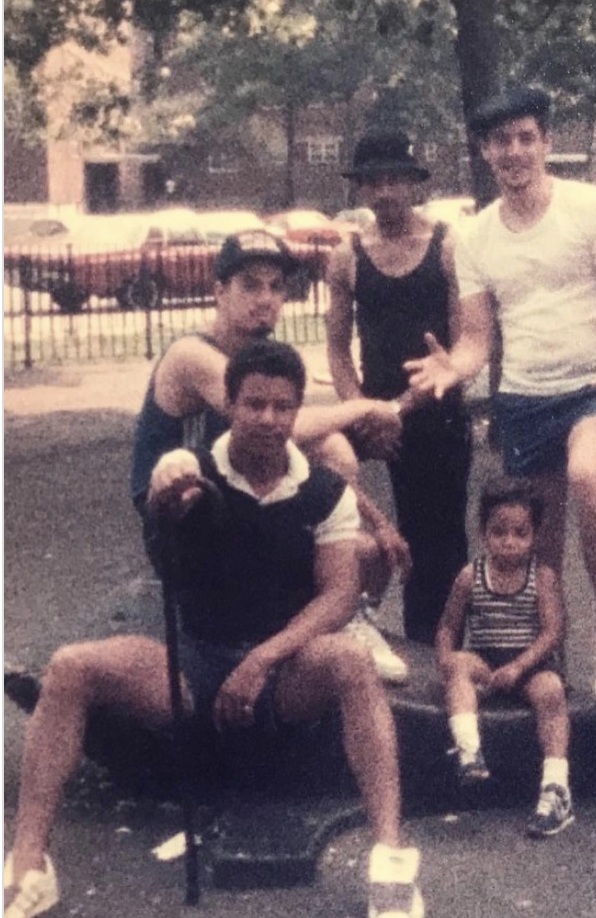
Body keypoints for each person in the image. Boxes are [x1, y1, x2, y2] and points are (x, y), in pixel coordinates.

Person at [3, 340, 424, 918]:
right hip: (194, 663)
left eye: (283, 407)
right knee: (71, 666)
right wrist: (169, 503)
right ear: (229, 404)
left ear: (298, 410)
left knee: (351, 661)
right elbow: (164, 503)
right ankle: (29, 864)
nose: (269, 420)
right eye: (254, 405)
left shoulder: (324, 492)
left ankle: (391, 861)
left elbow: (339, 595)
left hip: (282, 671)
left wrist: (262, 662)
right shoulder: (190, 467)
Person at [406, 86, 596, 699]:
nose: (514, 151)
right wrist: (452, 368)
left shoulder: (592, 207)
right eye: (500, 141)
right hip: (524, 400)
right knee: (538, 552)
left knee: (592, 475)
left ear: (546, 141)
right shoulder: (473, 237)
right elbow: (477, 340)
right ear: (485, 151)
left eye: (525, 138)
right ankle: (548, 666)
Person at [130, 230, 411, 683]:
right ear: (218, 291)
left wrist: (379, 521)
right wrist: (363, 406)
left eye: (276, 287)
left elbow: (295, 452)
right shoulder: (191, 355)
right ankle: (330, 624)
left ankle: (341, 621)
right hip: (182, 523)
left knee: (360, 520)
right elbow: (293, 429)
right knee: (348, 545)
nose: (266, 299)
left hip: (242, 506)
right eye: (250, 285)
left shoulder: (264, 359)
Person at [327, 129, 472, 645]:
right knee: (332, 495)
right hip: (371, 414)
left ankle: (445, 646)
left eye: (396, 180)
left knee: (441, 537)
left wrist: (400, 408)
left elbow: (463, 346)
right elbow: (338, 350)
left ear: (414, 184)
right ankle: (357, 623)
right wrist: (361, 411)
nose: (385, 192)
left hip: (434, 407)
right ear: (361, 189)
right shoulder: (347, 256)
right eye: (374, 182)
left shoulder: (447, 245)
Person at [435, 477, 572, 837]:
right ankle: (469, 750)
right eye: (499, 532)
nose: (509, 542)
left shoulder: (541, 577)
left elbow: (553, 632)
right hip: (485, 660)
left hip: (529, 663)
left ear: (535, 535)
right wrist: (447, 660)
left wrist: (520, 665)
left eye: (520, 533)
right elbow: (449, 626)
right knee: (459, 666)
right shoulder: (470, 576)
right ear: (483, 531)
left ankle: (555, 788)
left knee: (552, 692)